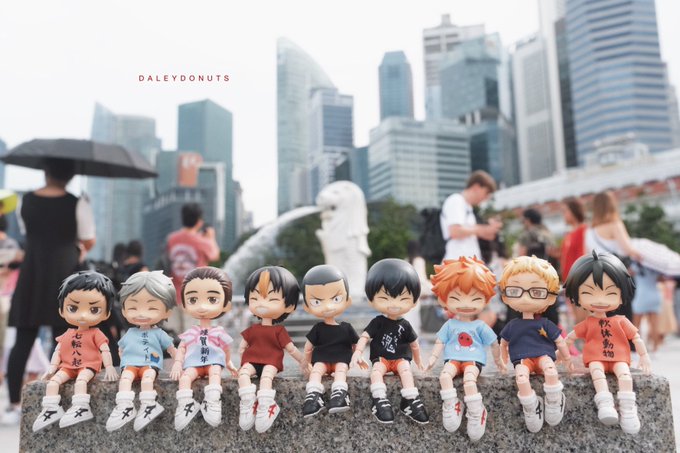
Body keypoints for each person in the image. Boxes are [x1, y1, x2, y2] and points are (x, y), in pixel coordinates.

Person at [5, 158, 96, 424]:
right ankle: (60, 400)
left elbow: (29, 232)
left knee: (23, 340)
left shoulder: (26, 201)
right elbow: (88, 239)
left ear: (45, 172)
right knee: (66, 339)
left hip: (32, 272)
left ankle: (13, 405)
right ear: (70, 176)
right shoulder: (78, 203)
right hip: (64, 273)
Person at [565, 251, 651, 434]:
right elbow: (569, 338)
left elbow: (636, 337)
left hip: (619, 357)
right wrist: (562, 355)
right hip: (596, 358)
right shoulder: (588, 323)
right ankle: (605, 403)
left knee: (625, 375)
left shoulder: (621, 321)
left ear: (622, 294)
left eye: (610, 293)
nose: (600, 300)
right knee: (596, 372)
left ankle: (628, 408)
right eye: (588, 293)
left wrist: (644, 356)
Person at [426, 257, 502, 441]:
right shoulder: (450, 324)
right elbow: (440, 342)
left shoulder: (480, 325)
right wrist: (433, 358)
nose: (466, 304)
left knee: (469, 380)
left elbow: (494, 343)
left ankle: (477, 411)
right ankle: (452, 404)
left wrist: (498, 360)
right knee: (445, 376)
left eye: (475, 298)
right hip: (452, 359)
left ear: (485, 299)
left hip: (473, 360)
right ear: (444, 299)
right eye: (456, 297)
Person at [32, 271, 118, 432]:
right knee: (54, 382)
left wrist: (110, 366)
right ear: (62, 310)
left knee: (81, 380)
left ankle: (81, 407)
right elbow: (58, 350)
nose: (83, 315)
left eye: (94, 309)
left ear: (106, 313)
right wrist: (52, 367)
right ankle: (51, 408)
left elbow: (105, 350)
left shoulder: (96, 333)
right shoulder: (68, 333)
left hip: (88, 366)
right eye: (73, 308)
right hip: (67, 366)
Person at [350, 259, 429, 425]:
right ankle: (379, 399)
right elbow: (364, 337)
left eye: (403, 298)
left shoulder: (405, 325)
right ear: (371, 299)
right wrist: (357, 352)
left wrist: (418, 360)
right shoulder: (377, 322)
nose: (394, 304)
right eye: (384, 298)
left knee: (405, 370)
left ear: (414, 301)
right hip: (382, 358)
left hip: (400, 358)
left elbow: (414, 344)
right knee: (376, 371)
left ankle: (410, 399)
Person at [499, 256, 572, 433]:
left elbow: (560, 341)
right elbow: (503, 344)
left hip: (544, 356)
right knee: (521, 377)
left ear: (551, 297)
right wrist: (502, 360)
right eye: (515, 290)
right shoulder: (512, 325)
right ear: (506, 296)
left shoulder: (545, 324)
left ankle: (554, 399)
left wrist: (567, 358)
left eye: (537, 292)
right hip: (523, 360)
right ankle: (531, 405)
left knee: (550, 370)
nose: (525, 298)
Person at [237, 266, 306, 433]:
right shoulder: (252, 329)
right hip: (252, 360)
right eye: (255, 298)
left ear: (289, 306)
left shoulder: (279, 331)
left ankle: (267, 405)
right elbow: (241, 348)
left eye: (272, 299)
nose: (261, 304)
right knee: (243, 373)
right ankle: (248, 402)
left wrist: (304, 361)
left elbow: (291, 349)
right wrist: (239, 363)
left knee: (267, 376)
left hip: (271, 362)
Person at [106, 271, 176, 432]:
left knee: (147, 379)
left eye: (152, 308)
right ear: (124, 310)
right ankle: (125, 406)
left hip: (150, 364)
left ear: (167, 311)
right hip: (130, 364)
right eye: (133, 307)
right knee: (125, 379)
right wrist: (122, 358)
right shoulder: (130, 333)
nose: (142, 313)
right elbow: (120, 348)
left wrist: (179, 363)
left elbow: (171, 349)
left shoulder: (158, 333)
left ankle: (149, 405)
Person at [170, 267, 236, 431]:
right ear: (184, 304)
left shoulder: (218, 332)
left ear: (226, 305)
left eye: (212, 299)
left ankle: (212, 402)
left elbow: (226, 349)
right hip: (194, 364)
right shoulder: (191, 332)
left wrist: (228, 363)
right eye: (193, 300)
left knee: (215, 372)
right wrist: (177, 364)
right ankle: (186, 404)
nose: (202, 306)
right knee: (185, 377)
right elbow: (182, 348)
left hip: (213, 363)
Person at [300, 265, 359, 417]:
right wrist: (306, 363)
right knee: (317, 370)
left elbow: (356, 345)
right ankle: (314, 395)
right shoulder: (318, 328)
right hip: (322, 359)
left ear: (347, 301)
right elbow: (308, 347)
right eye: (317, 302)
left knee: (339, 369)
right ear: (307, 307)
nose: (327, 306)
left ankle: (338, 394)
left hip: (340, 359)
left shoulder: (346, 327)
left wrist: (358, 357)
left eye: (336, 299)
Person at [440, 170, 501, 262]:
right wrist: (483, 229)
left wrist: (489, 230)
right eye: (486, 192)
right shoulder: (456, 200)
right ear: (476, 187)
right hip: (457, 263)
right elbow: (455, 231)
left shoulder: (468, 207)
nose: (486, 198)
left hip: (466, 264)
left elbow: (483, 234)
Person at [166, 203, 220, 304]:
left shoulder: (171, 239)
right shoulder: (202, 241)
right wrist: (211, 238)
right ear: (199, 221)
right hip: (195, 298)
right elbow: (215, 256)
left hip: (173, 297)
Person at [559, 197, 588, 324]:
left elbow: (584, 255)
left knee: (583, 320)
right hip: (569, 281)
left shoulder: (584, 230)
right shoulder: (569, 234)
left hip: (580, 280)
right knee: (577, 321)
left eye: (565, 211)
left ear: (574, 211)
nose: (564, 215)